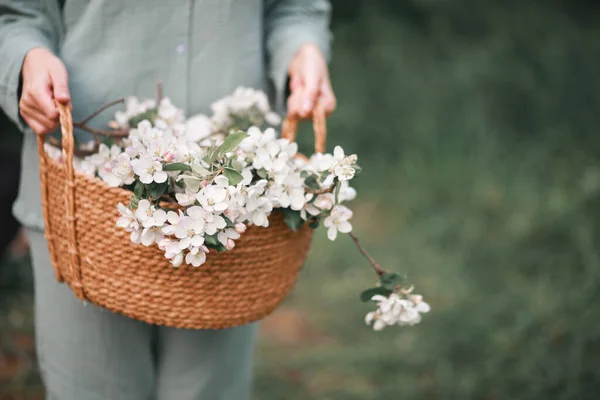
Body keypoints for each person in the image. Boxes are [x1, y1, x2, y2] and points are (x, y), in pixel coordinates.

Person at [0, 1, 336, 399]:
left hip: (236, 198)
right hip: (82, 182)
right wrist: (26, 59)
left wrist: (302, 49)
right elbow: (17, 14)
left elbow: (295, 8)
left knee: (209, 389)